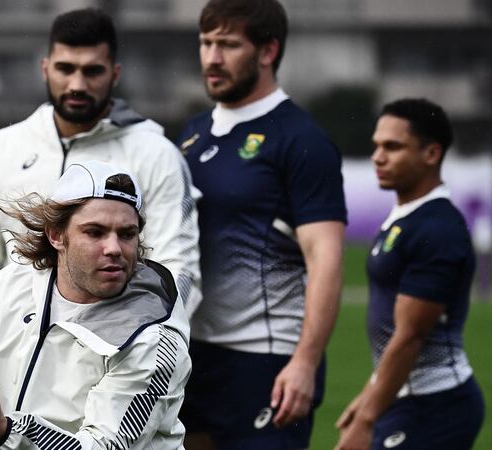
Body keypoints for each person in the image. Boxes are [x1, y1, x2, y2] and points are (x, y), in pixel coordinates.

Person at [0, 160, 192, 449]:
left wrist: (5, 433)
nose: (114, 248)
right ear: (56, 235)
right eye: (94, 232)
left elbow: (103, 447)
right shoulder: (16, 282)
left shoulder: (155, 338)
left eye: (127, 234)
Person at [0, 8, 200, 315]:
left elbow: (177, 269)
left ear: (115, 74)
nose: (77, 84)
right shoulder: (0, 148)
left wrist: (146, 341)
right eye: (65, 69)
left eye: (92, 71)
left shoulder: (156, 154)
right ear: (45, 68)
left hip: (112, 351)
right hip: (11, 350)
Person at [176, 0, 347, 448]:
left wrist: (305, 362)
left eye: (228, 45)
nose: (212, 58)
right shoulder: (191, 134)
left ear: (268, 51)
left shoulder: (301, 140)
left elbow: (325, 259)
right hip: (192, 354)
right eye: (206, 43)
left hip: (266, 360)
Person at [335, 99, 485, 450]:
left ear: (432, 154)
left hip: (437, 403)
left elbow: (410, 337)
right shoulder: (406, 216)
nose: (378, 157)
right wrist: (368, 396)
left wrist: (368, 418)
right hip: (403, 396)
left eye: (393, 147)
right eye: (376, 146)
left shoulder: (438, 229)